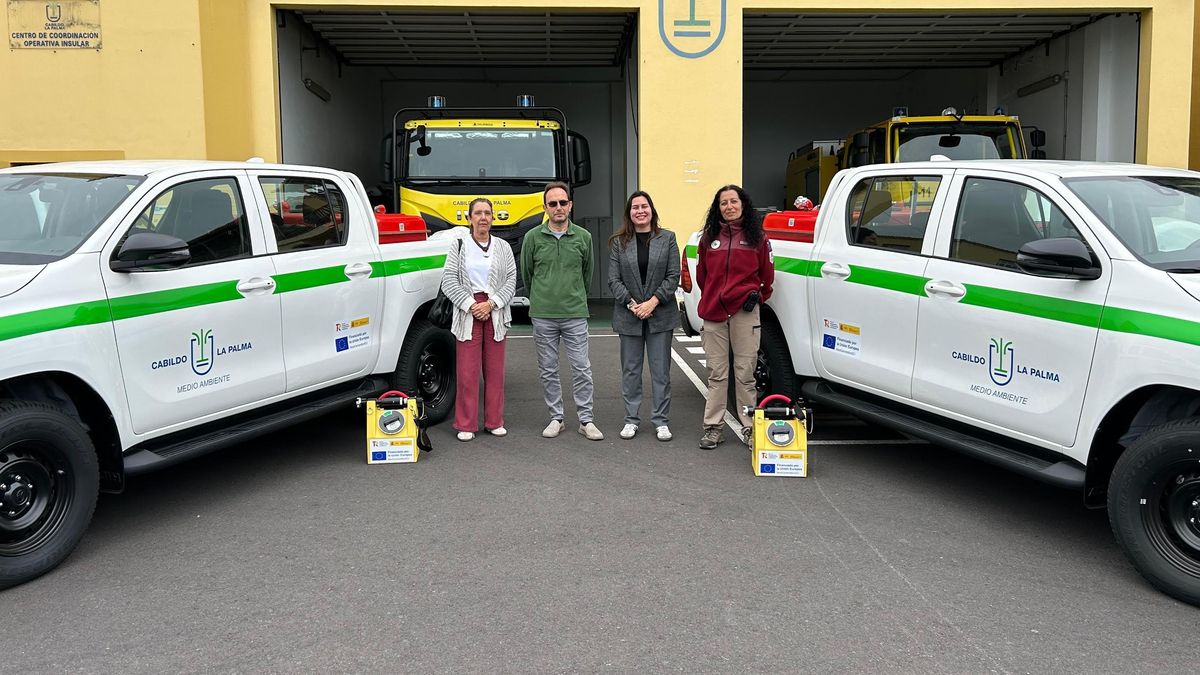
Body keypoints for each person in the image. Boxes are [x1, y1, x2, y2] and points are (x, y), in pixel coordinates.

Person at [521, 181, 604, 441]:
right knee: (548, 369)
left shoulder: (584, 237)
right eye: (553, 203)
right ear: (545, 207)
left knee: (581, 368)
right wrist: (542, 297)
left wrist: (574, 296)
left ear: (570, 205)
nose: (558, 207)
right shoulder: (532, 237)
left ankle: (586, 420)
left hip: (575, 313)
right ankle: (556, 417)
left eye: (563, 202)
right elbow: (527, 274)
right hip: (543, 314)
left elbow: (587, 274)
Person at [695, 184, 775, 449]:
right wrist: (716, 296)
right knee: (717, 374)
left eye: (733, 201)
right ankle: (713, 428)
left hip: (745, 314)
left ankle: (750, 427)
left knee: (745, 373)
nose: (729, 207)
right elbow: (702, 276)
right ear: (717, 208)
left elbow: (767, 277)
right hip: (715, 314)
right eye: (723, 203)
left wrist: (753, 296)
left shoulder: (758, 238)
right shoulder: (709, 238)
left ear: (743, 204)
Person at [440, 197, 517, 442]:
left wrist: (491, 303)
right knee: (467, 371)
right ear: (469, 218)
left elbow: (511, 281)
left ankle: (494, 421)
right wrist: (472, 305)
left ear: (493, 218)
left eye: (487, 213)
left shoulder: (503, 247)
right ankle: (466, 423)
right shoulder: (459, 245)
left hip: (495, 311)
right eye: (478, 213)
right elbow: (449, 280)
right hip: (468, 311)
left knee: (495, 372)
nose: (483, 217)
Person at [607, 191, 680, 442]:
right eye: (635, 207)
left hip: (660, 314)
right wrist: (632, 304)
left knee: (661, 372)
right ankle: (631, 420)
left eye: (644, 206)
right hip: (629, 315)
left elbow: (673, 276)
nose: (640, 211)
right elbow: (613, 279)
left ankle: (661, 421)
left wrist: (652, 302)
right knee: (631, 371)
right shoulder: (619, 242)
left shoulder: (668, 238)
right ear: (629, 213)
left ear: (652, 210)